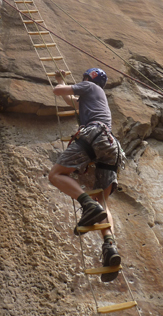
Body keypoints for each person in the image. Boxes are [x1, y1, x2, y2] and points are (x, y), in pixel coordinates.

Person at [48, 67, 124, 282]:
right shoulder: (95, 99)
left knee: (56, 175)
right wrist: (61, 78)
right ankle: (109, 246)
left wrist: (60, 83)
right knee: (103, 202)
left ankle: (87, 205)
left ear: (88, 80)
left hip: (94, 137)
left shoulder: (89, 86)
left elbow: (58, 92)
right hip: (111, 146)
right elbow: (69, 100)